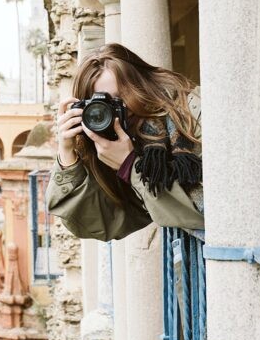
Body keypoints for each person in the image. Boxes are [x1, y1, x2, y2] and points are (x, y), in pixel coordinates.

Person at [47, 43, 204, 242]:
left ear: (142, 86)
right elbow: (101, 224)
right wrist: (67, 153)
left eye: (119, 99)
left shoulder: (189, 112)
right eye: (99, 106)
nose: (111, 113)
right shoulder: (115, 143)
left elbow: (210, 211)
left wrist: (131, 166)